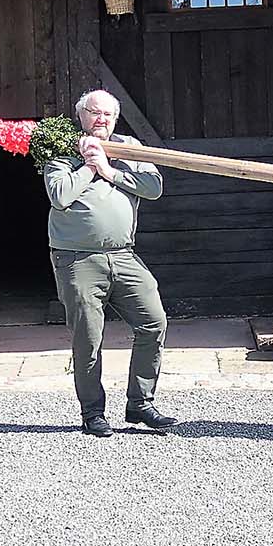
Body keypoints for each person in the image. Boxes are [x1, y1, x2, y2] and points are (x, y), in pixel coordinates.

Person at [43, 90, 175, 437]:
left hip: (124, 255)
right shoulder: (61, 150)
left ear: (116, 119)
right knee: (88, 338)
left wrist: (109, 170)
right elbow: (60, 196)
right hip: (78, 259)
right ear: (81, 115)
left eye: (108, 114)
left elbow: (153, 187)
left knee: (153, 322)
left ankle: (140, 403)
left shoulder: (130, 148)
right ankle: (93, 413)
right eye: (94, 112)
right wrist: (89, 166)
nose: (101, 119)